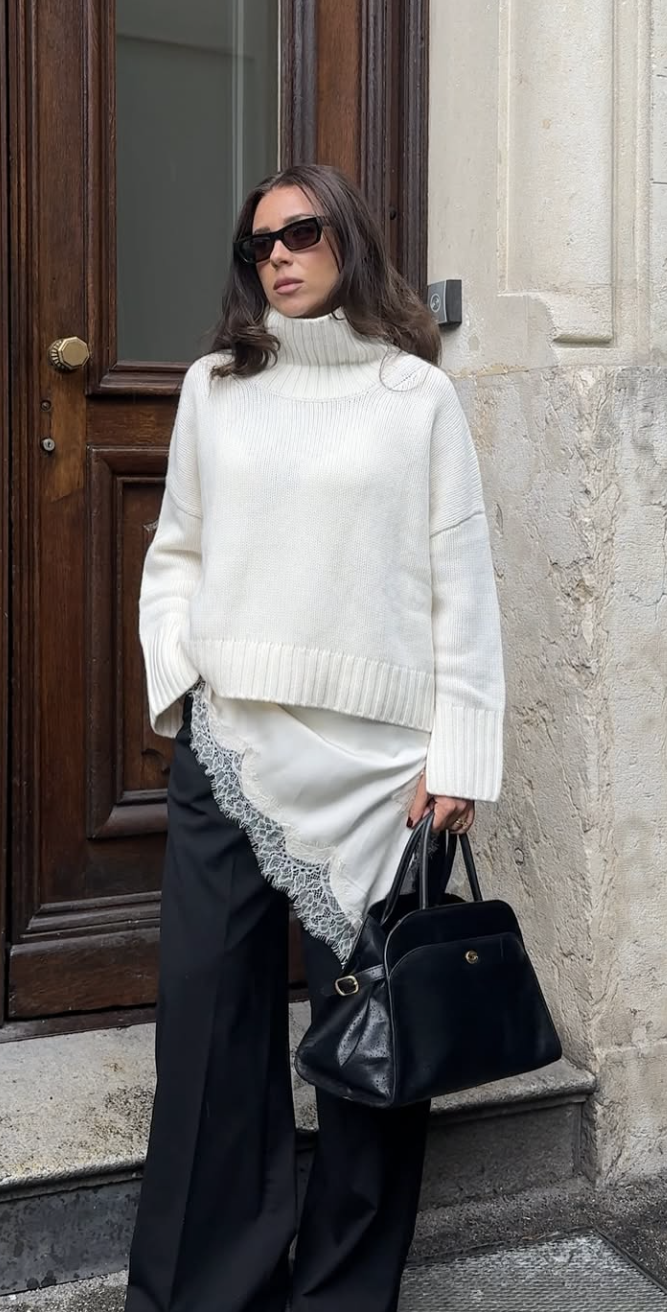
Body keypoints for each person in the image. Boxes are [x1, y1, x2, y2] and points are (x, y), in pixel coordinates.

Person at [126, 162, 505, 1312]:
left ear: (347, 237)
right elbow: (177, 550)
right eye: (259, 245)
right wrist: (185, 680)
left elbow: (462, 584)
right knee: (207, 1035)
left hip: (382, 774)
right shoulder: (215, 388)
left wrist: (459, 755)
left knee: (375, 1049)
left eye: (299, 233)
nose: (278, 257)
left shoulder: (415, 397)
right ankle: (206, 1294)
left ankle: (342, 1295)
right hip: (232, 753)